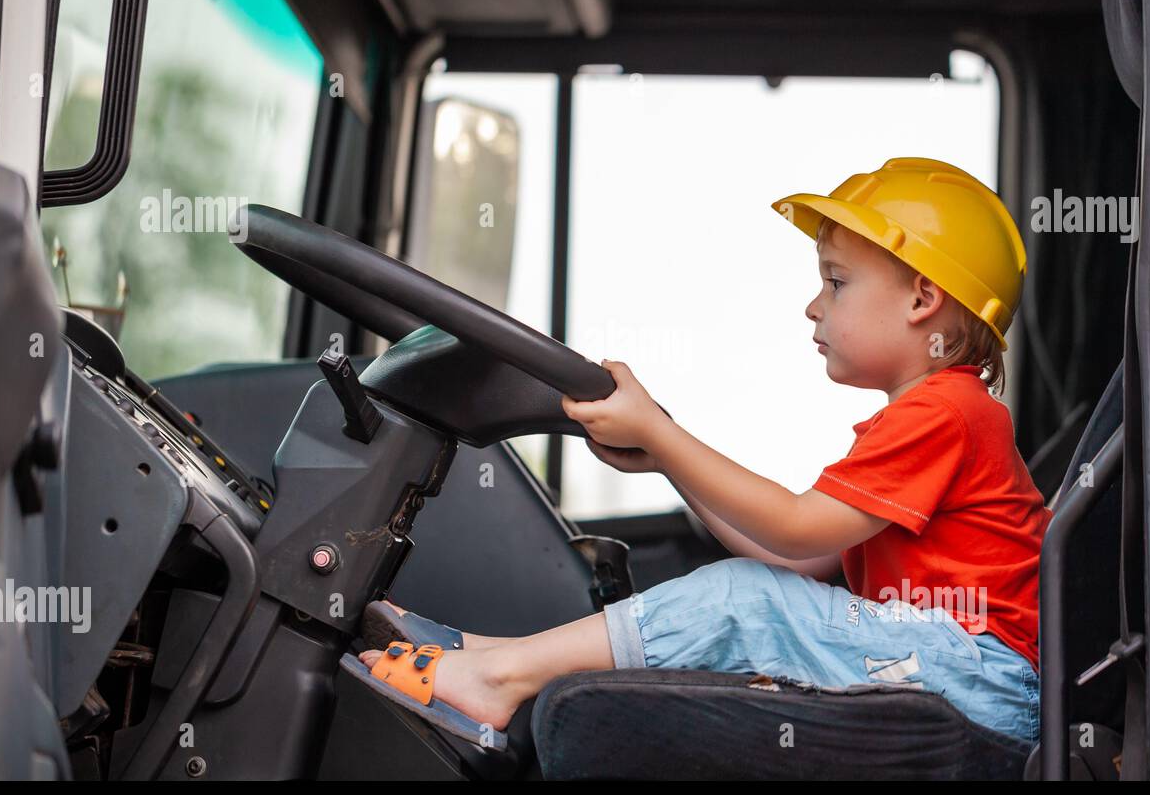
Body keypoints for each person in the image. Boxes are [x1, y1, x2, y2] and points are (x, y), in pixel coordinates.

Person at [338, 157, 1050, 751]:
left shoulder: (946, 412)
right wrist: (668, 461)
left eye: (835, 281)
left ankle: (497, 679)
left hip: (981, 678)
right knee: (749, 590)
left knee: (745, 602)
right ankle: (485, 657)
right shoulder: (931, 416)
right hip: (956, 665)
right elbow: (798, 560)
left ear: (923, 299)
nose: (813, 306)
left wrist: (662, 432)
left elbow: (797, 528)